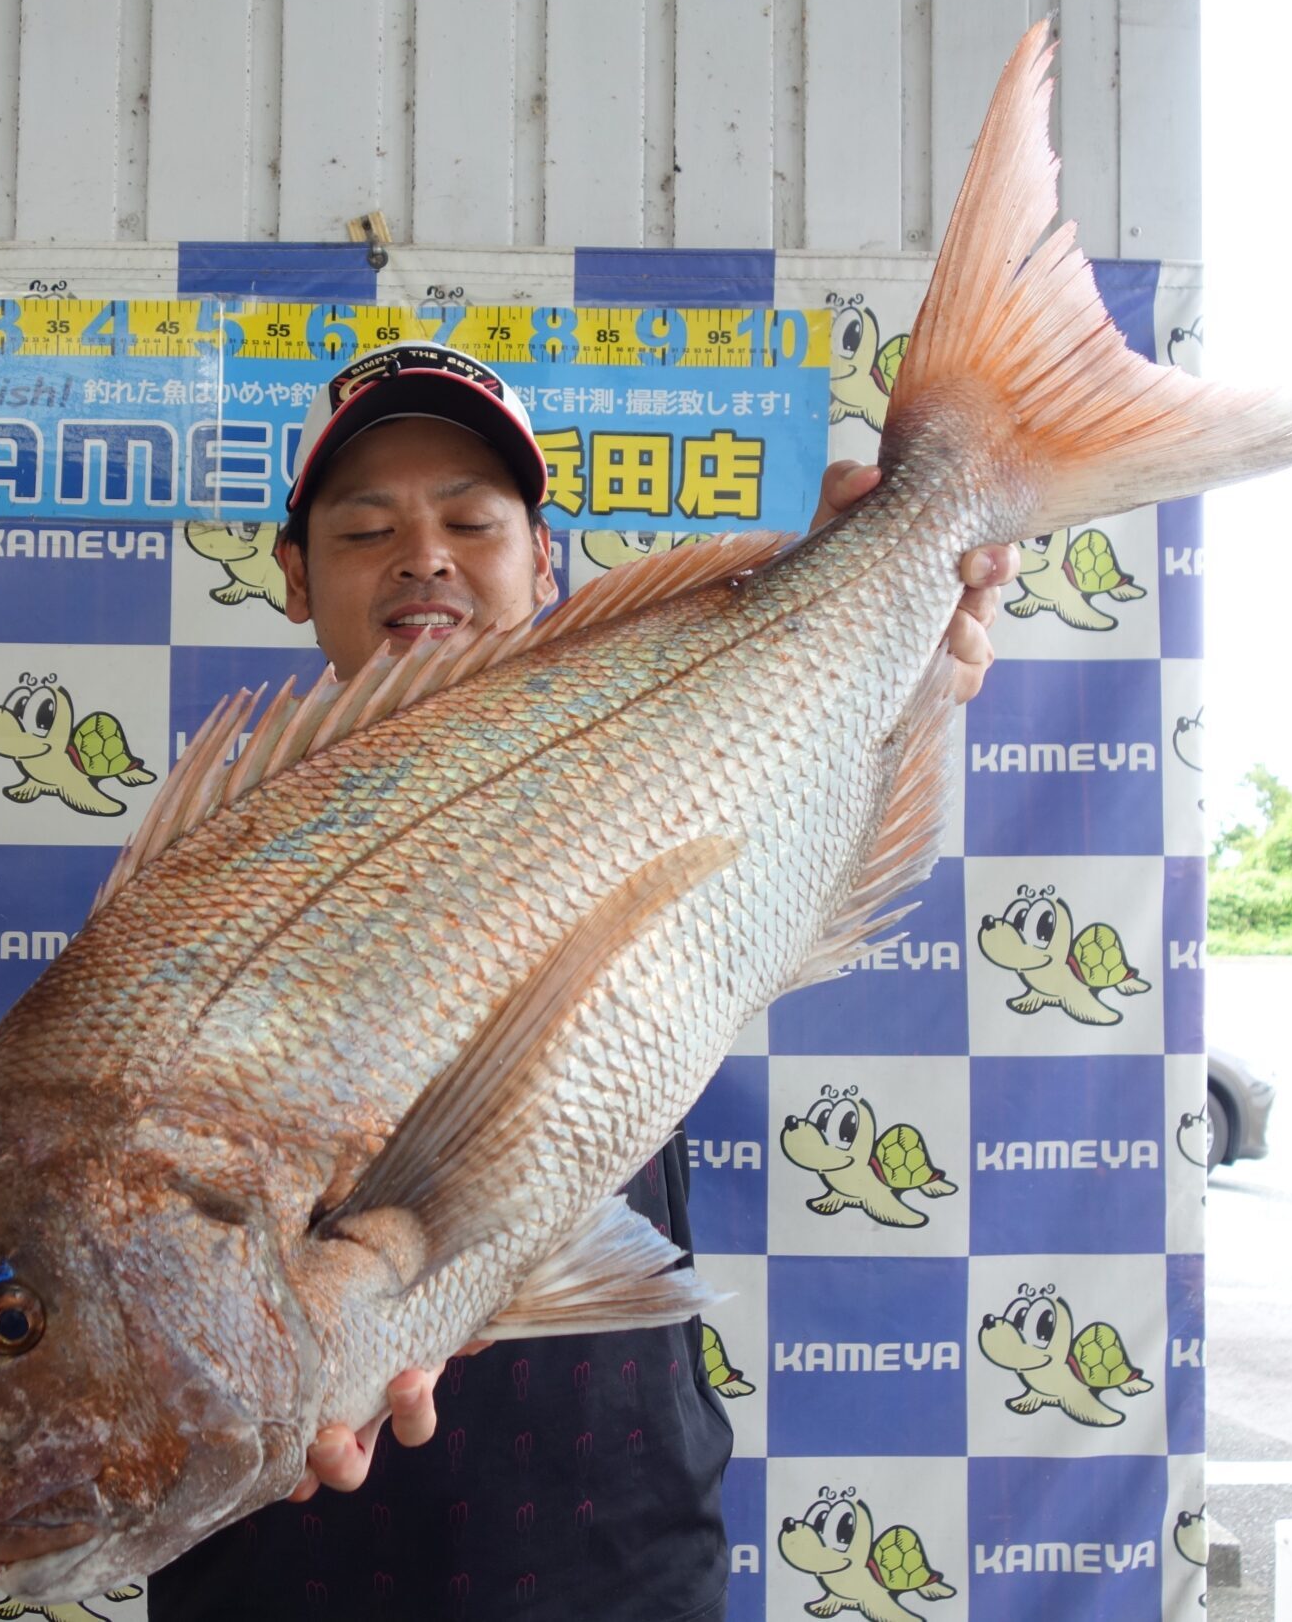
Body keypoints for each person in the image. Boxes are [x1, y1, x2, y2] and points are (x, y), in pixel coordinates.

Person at [146, 343, 1018, 1622]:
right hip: (274, 1566)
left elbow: (816, 824)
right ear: (292, 574)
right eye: (366, 525)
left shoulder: (668, 714)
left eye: (470, 519)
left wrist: (894, 612)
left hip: (610, 1541)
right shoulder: (210, 877)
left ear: (543, 559)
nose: (423, 554)